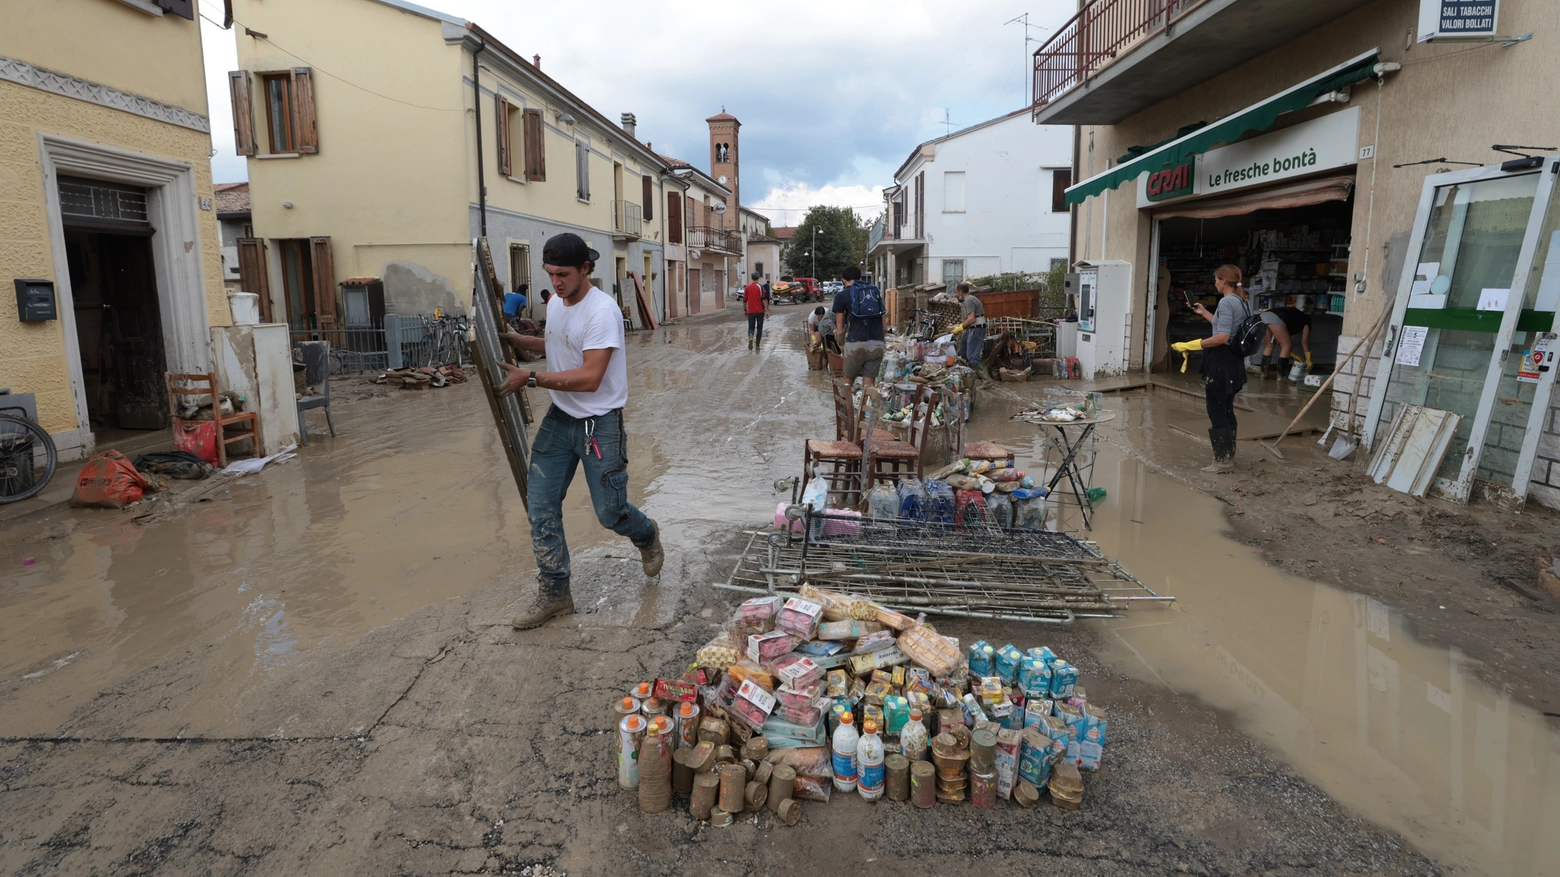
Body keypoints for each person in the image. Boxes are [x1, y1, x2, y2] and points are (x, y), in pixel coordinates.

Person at [496, 232, 664, 629]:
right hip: (559, 419)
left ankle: (646, 534)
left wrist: (531, 378)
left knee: (609, 513)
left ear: (586, 269)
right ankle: (555, 593)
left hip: (598, 422)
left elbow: (590, 376)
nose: (556, 282)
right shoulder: (555, 303)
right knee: (539, 507)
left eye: (564, 274)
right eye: (550, 273)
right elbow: (562, 342)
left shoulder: (602, 311)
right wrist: (526, 341)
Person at [1171, 264, 1248, 473]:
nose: (1215, 283)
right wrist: (1203, 311)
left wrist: (1192, 345)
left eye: (1216, 279)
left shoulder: (1225, 302)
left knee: (1216, 409)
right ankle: (1229, 456)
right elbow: (1226, 328)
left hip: (1221, 364)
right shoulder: (1241, 301)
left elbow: (1223, 337)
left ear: (1223, 280)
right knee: (1227, 408)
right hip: (1234, 364)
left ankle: (1222, 461)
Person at [833, 266, 885, 388]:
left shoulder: (841, 296)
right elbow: (884, 327)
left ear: (843, 280)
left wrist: (841, 345)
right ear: (860, 279)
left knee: (847, 381)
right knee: (869, 383)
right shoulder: (874, 293)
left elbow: (840, 331)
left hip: (855, 343)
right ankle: (871, 406)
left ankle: (846, 406)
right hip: (877, 343)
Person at [1257, 306, 1312, 377]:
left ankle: (1264, 374)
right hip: (1275, 317)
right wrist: (1308, 358)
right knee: (1287, 346)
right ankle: (1281, 378)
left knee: (1269, 345)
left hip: (1263, 316)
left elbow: (1281, 342)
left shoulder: (1295, 316)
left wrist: (1292, 354)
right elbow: (1304, 341)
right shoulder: (1306, 320)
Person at [952, 281, 986, 375]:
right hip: (973, 328)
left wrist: (960, 328)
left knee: (972, 356)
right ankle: (967, 374)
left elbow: (971, 319)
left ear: (960, 292)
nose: (956, 294)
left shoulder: (969, 301)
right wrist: (960, 326)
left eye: (956, 292)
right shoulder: (970, 299)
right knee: (963, 352)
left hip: (977, 329)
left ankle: (987, 380)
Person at [743, 272, 767, 350]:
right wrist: (767, 310)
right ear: (758, 278)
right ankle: (757, 345)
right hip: (760, 311)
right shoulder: (761, 287)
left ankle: (750, 336)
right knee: (759, 328)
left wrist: (745, 310)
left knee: (751, 327)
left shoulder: (747, 287)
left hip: (751, 311)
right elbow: (764, 299)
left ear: (751, 277)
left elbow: (744, 300)